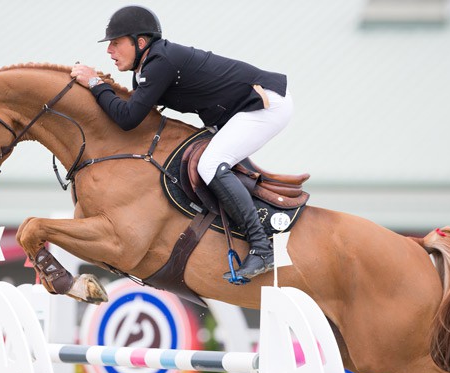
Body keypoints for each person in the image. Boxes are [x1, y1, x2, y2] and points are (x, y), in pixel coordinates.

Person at [71, 6, 293, 281]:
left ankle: (262, 249)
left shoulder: (160, 62)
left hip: (264, 104)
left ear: (140, 43)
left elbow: (127, 118)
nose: (109, 51)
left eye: (116, 43)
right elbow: (132, 117)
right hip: (237, 111)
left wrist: (95, 83)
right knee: (207, 161)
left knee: (210, 164)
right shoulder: (146, 68)